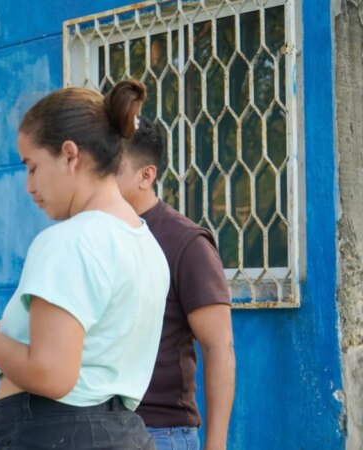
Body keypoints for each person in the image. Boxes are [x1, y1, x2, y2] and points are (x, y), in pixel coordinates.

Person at [0, 80, 170, 449]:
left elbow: (51, 374)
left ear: (69, 155)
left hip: (58, 434)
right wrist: (15, 328)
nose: (28, 185)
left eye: (32, 166)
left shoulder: (70, 240)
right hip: (119, 432)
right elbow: (96, 339)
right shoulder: (143, 242)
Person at [115, 116, 235, 450]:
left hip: (161, 433)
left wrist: (216, 445)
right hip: (101, 428)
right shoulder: (99, 234)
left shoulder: (185, 242)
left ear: (146, 175)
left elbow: (219, 347)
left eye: (113, 166)